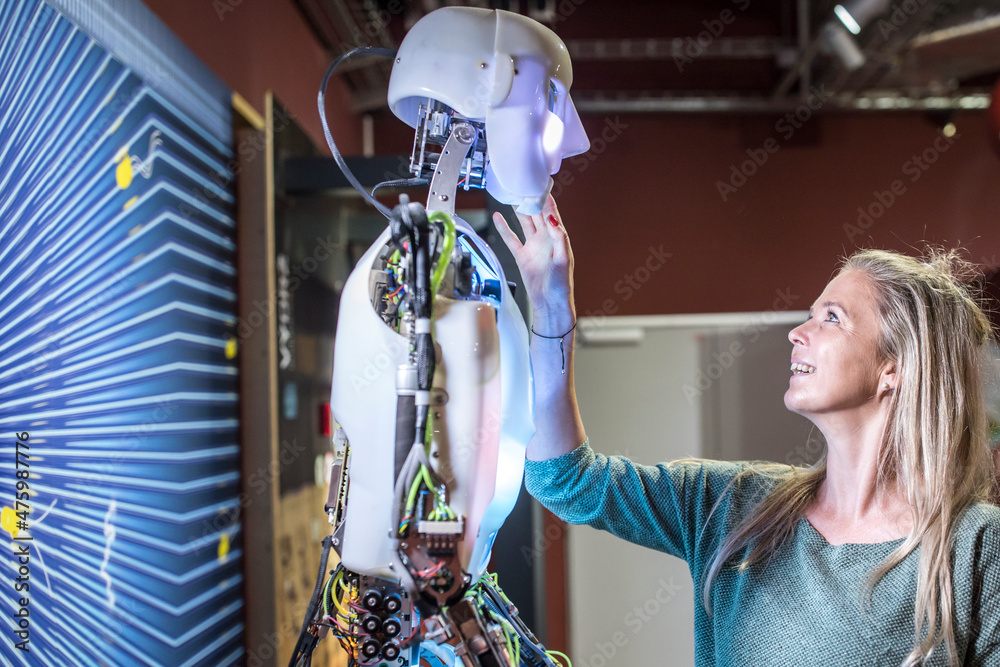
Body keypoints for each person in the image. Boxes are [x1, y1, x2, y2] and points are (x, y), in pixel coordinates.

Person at [492, 197, 1000, 667]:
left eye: (831, 318)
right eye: (808, 315)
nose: (797, 333)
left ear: (895, 367)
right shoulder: (735, 506)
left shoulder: (977, 546)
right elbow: (565, 480)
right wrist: (553, 309)